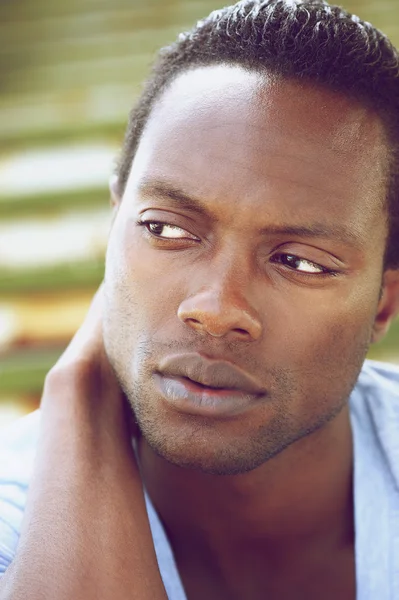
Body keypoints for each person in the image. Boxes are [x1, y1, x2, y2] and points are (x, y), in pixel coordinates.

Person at [1, 0, 399, 598]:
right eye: (165, 230)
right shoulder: (17, 518)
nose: (215, 308)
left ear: (383, 305)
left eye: (300, 262)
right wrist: (77, 403)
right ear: (115, 232)